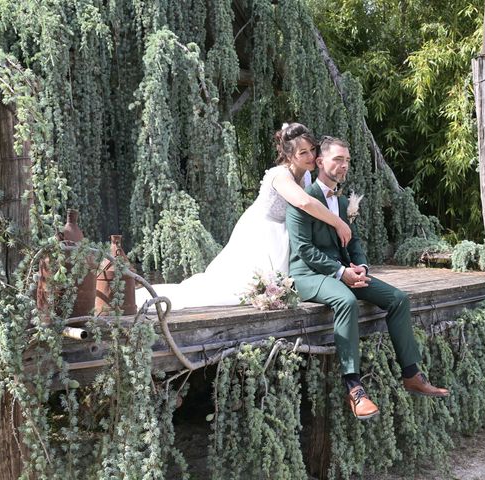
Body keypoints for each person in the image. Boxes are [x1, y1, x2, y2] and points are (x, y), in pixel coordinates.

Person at [286, 136, 450, 420]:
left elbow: (354, 241)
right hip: (308, 274)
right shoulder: (302, 199)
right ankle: (354, 387)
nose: (344, 165)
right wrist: (341, 273)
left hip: (343, 271)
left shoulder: (342, 199)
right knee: (346, 302)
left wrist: (360, 267)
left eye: (347, 160)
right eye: (338, 159)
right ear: (321, 161)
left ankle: (411, 374)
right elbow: (304, 250)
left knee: (398, 299)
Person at [136, 123, 352, 310]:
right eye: (303, 153)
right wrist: (339, 223)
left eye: (312, 150)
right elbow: (304, 203)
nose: (311, 157)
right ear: (288, 155)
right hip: (262, 231)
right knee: (240, 288)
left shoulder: (305, 174)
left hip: (285, 232)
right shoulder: (280, 174)